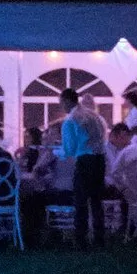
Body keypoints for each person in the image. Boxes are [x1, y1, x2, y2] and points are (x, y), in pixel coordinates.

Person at [58, 88, 109, 249]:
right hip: (99, 160)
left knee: (80, 201)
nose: (61, 107)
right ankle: (99, 239)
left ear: (66, 100)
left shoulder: (70, 120)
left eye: (61, 103)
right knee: (96, 201)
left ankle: (81, 240)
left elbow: (70, 149)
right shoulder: (94, 116)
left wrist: (57, 152)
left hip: (84, 161)